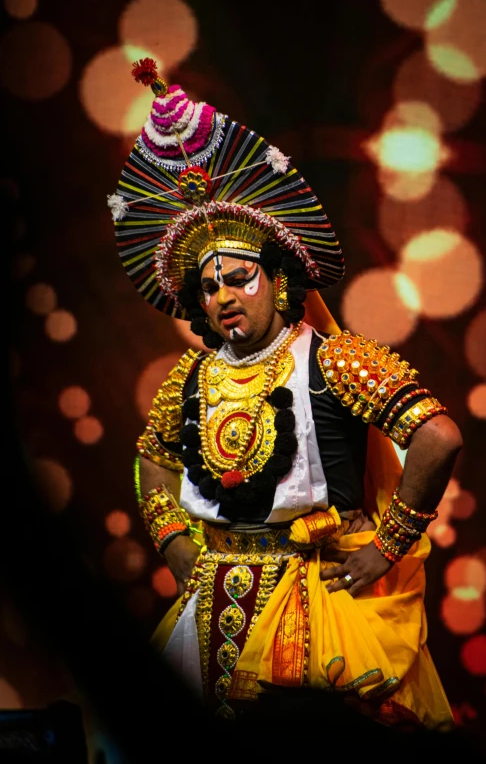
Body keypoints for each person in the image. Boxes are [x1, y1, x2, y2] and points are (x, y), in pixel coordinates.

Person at [108, 58, 463, 729]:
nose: (224, 297)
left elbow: (438, 436)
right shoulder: (191, 377)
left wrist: (387, 544)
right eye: (209, 289)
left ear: (277, 281)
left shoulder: (334, 359)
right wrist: (175, 542)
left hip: (317, 599)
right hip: (210, 601)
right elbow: (152, 454)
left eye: (239, 279)